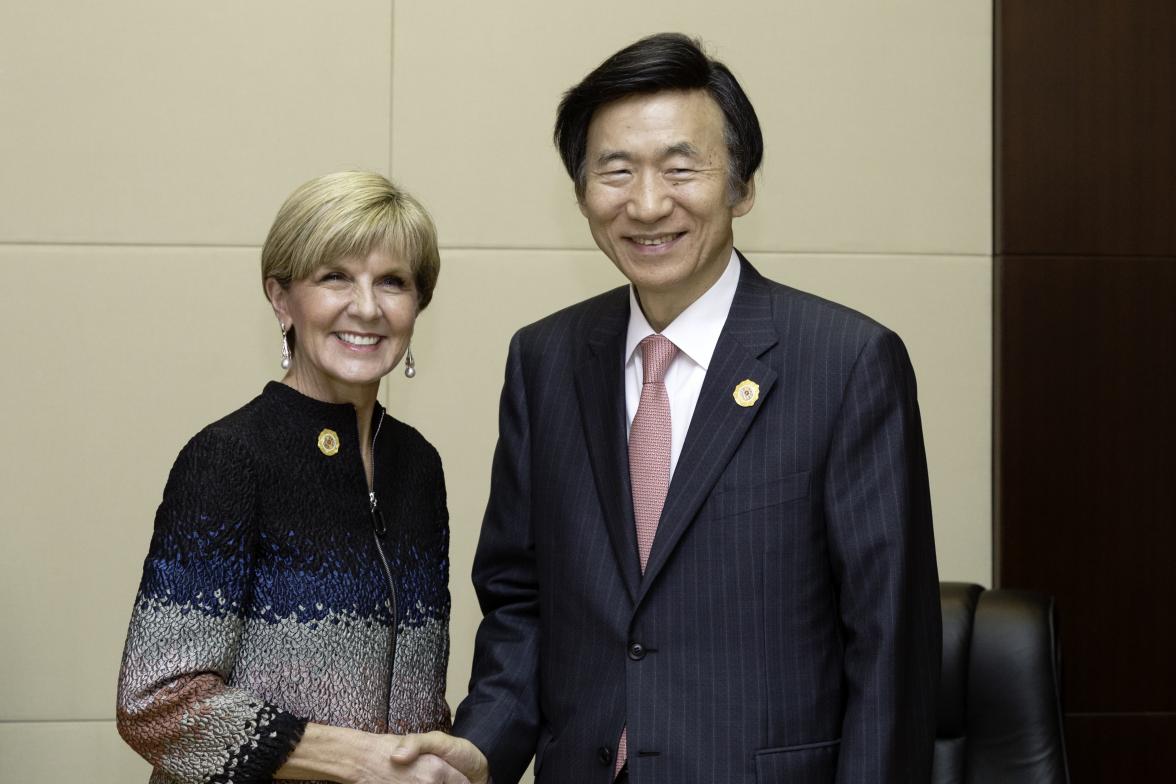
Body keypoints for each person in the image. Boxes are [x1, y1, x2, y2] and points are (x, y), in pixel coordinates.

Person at [393, 33, 943, 783]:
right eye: (615, 171)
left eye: (682, 169)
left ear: (742, 186)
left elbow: (890, 644)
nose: (647, 204)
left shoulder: (845, 363)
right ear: (583, 192)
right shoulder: (545, 360)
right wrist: (481, 747)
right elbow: (521, 603)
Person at [116, 171, 488, 784]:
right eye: (334, 276)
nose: (366, 307)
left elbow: (416, 701)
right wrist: (359, 760)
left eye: (392, 281)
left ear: (418, 304)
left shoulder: (418, 465)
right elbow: (156, 705)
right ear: (282, 299)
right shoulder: (229, 458)